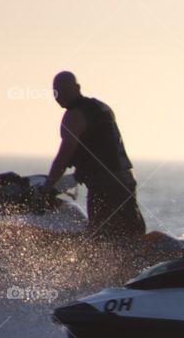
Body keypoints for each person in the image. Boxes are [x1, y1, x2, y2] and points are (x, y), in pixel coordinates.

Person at [41, 71, 146, 242]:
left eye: (64, 90)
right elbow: (102, 148)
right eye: (56, 92)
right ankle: (140, 261)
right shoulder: (103, 108)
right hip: (125, 180)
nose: (59, 96)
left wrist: (47, 188)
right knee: (130, 232)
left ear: (77, 88)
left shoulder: (73, 115)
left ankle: (122, 264)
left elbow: (64, 156)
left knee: (101, 238)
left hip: (105, 186)